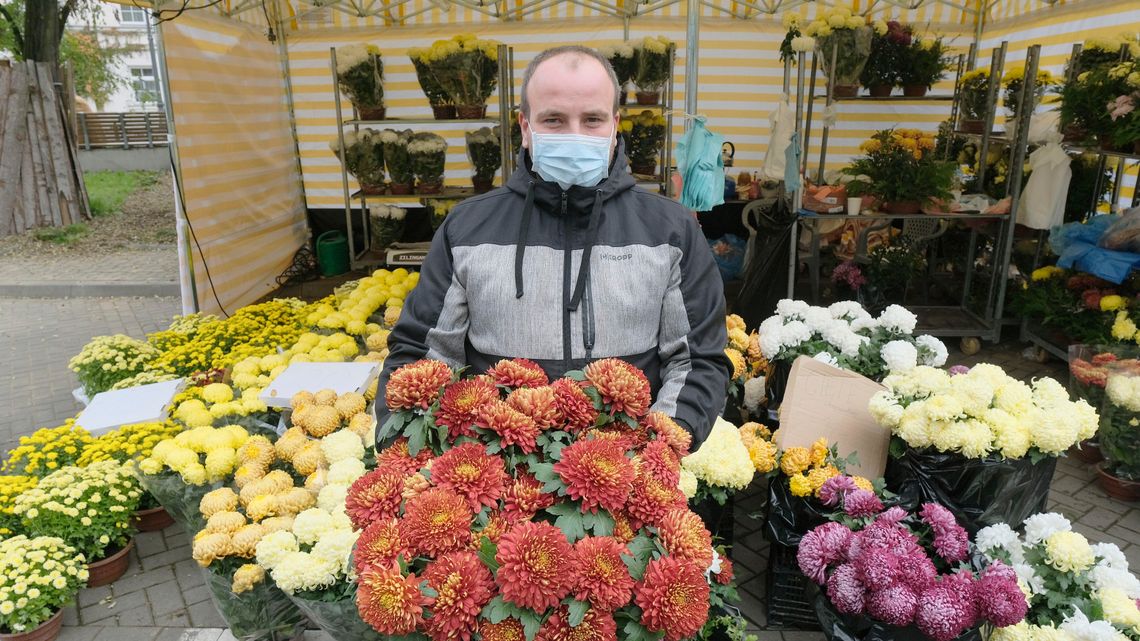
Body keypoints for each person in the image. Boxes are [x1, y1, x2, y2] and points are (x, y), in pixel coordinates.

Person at [376, 45, 730, 447]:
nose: (574, 134)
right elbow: (421, 356)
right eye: (554, 120)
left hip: (627, 478)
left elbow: (698, 360)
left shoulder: (671, 231)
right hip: (495, 480)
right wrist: (411, 456)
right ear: (526, 128)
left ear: (615, 126)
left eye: (592, 119)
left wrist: (655, 456)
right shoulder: (466, 229)